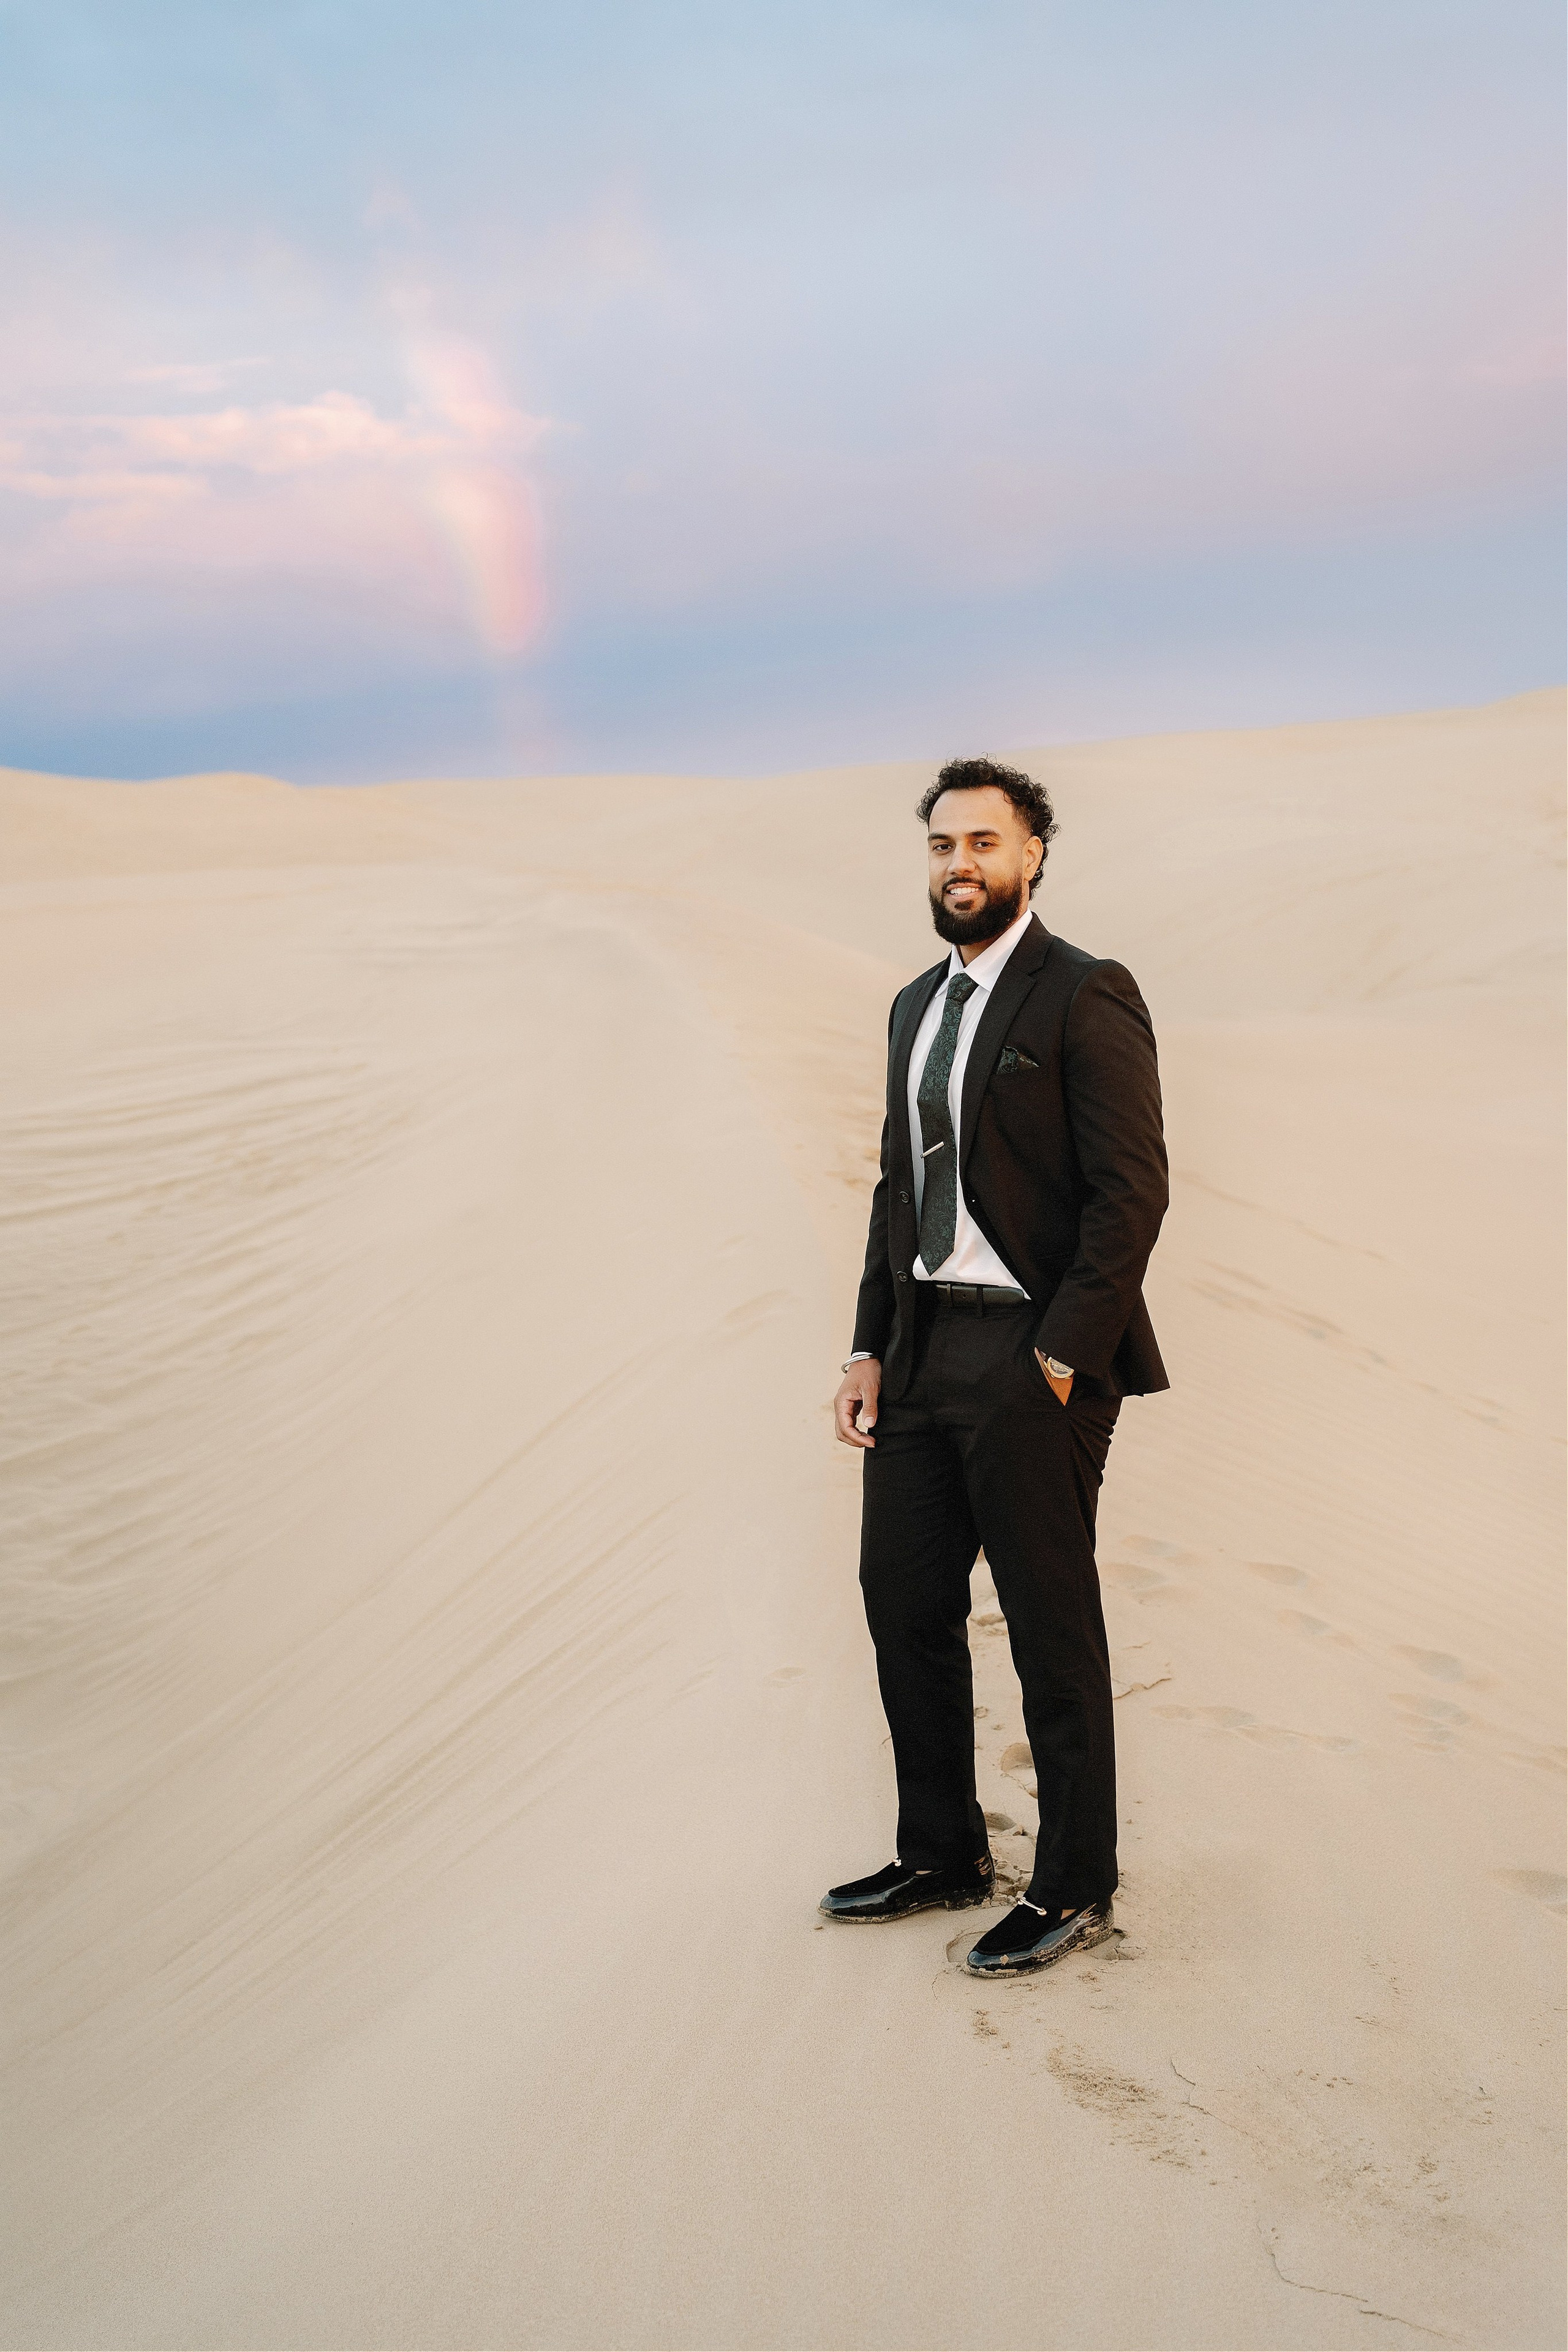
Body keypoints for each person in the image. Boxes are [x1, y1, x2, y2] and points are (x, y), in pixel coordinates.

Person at [821, 757, 1169, 1977]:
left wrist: (1061, 1364)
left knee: (1042, 1622)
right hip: (920, 1350)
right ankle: (942, 1854)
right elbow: (892, 1189)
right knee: (901, 1605)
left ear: (1030, 856)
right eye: (939, 847)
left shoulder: (1083, 995)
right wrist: (868, 1345)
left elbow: (1131, 1198)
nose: (957, 864)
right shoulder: (914, 1004)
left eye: (981, 844)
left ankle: (1071, 1881)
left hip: (1033, 1354)